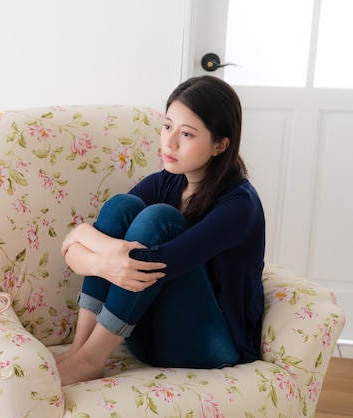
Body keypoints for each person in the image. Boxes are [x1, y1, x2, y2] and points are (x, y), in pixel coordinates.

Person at [56, 75, 265, 386]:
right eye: (167, 126)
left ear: (220, 145)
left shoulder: (239, 206)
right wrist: (93, 249)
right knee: (120, 207)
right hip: (147, 335)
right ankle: (81, 351)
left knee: (159, 221)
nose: (170, 142)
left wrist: (83, 237)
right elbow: (82, 248)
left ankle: (91, 359)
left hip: (211, 347)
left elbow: (152, 262)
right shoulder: (167, 181)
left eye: (187, 134)